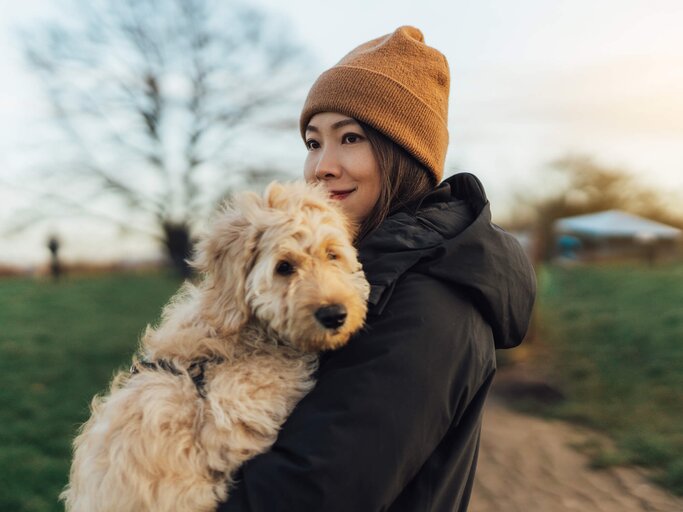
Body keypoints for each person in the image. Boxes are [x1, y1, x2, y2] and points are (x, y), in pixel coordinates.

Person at [218, 26, 536, 512]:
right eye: (312, 142)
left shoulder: (431, 303)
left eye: (350, 138)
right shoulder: (363, 271)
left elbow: (309, 494)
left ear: (405, 153)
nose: (322, 166)